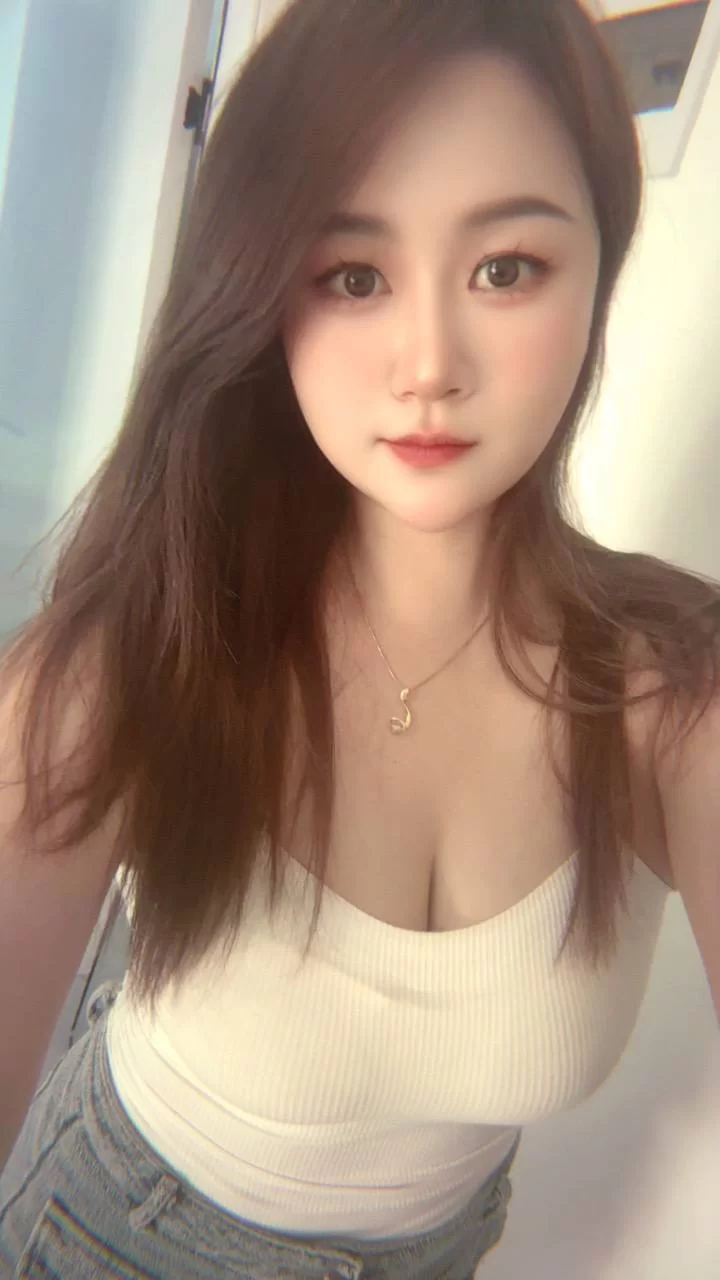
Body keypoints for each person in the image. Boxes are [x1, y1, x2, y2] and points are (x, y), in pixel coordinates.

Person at [1, 0, 719, 1275]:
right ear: (262, 292)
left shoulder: (670, 693)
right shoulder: (129, 658)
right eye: (353, 275)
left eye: (507, 268)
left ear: (597, 274)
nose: (429, 363)